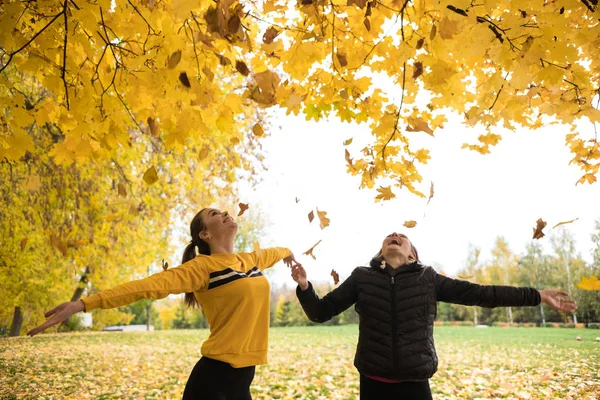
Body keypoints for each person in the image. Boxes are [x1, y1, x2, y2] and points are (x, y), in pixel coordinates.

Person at [28, 208, 299, 400]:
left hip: (242, 377)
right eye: (214, 214)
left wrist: (288, 254)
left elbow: (277, 252)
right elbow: (145, 287)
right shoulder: (201, 268)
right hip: (214, 379)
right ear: (204, 235)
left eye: (222, 210)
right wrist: (85, 303)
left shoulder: (250, 259)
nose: (224, 212)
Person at [291, 232, 577, 400]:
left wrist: (537, 295)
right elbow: (320, 312)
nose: (395, 236)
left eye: (402, 237)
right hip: (373, 381)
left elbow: (483, 294)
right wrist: (304, 287)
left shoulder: (428, 278)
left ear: (412, 255)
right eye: (390, 236)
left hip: (416, 383)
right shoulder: (362, 277)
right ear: (380, 252)